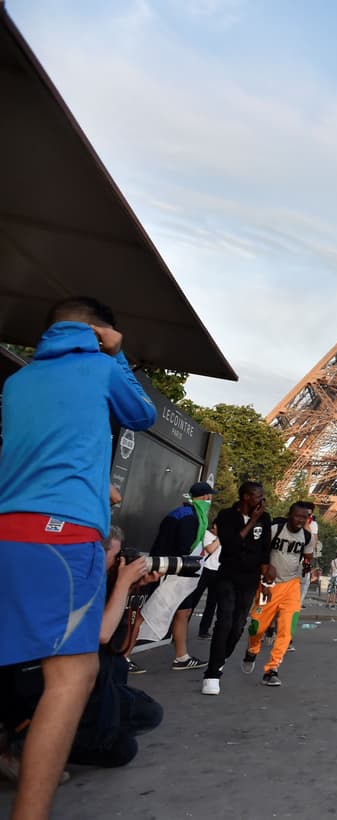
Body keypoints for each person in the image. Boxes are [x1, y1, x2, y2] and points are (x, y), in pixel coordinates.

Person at [0, 296, 157, 819]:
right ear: (99, 331)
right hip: (62, 538)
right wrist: (117, 353)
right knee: (70, 677)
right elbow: (142, 413)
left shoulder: (18, 381)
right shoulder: (98, 366)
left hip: (10, 531)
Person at [2, 529, 163, 781]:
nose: (120, 563)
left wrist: (127, 590)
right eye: (116, 556)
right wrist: (121, 584)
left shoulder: (90, 580)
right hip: (34, 687)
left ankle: (61, 735)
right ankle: (27, 747)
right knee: (123, 748)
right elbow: (101, 634)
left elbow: (116, 647)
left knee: (147, 712)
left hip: (79, 682)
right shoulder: (67, 579)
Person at [201, 482, 274, 696]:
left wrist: (266, 579)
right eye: (256, 496)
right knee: (224, 620)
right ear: (244, 497)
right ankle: (212, 673)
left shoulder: (266, 518)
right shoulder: (226, 516)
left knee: (239, 625)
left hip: (250, 578)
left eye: (262, 495)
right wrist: (252, 521)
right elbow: (231, 544)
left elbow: (265, 549)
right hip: (227, 574)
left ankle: (220, 658)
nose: (260, 500)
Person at [143, 482, 215, 671]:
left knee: (183, 612)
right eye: (209, 497)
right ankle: (123, 655)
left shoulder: (184, 513)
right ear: (206, 498)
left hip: (176, 571)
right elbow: (183, 547)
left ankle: (181, 656)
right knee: (150, 612)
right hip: (173, 572)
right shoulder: (190, 518)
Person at [242, 502, 314, 687]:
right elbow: (260, 552)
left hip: (291, 585)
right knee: (257, 626)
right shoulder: (274, 529)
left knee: (287, 629)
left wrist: (307, 564)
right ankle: (253, 648)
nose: (300, 520)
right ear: (289, 514)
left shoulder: (307, 536)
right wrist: (265, 573)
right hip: (269, 584)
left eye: (303, 518)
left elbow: (308, 555)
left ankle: (272, 669)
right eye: (297, 516)